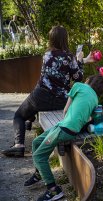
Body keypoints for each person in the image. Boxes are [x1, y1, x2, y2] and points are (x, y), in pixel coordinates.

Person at [1, 25, 96, 157]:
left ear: (51, 39)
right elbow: (77, 77)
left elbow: (61, 65)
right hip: (61, 101)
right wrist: (80, 60)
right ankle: (32, 119)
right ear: (65, 39)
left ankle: (19, 145)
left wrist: (80, 60)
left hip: (40, 98)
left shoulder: (47, 55)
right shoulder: (70, 57)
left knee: (19, 115)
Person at [24, 75, 103, 201]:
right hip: (67, 128)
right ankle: (39, 172)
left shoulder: (79, 86)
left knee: (38, 156)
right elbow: (89, 118)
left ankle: (53, 190)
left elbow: (65, 110)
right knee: (36, 142)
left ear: (88, 81)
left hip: (64, 129)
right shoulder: (95, 100)